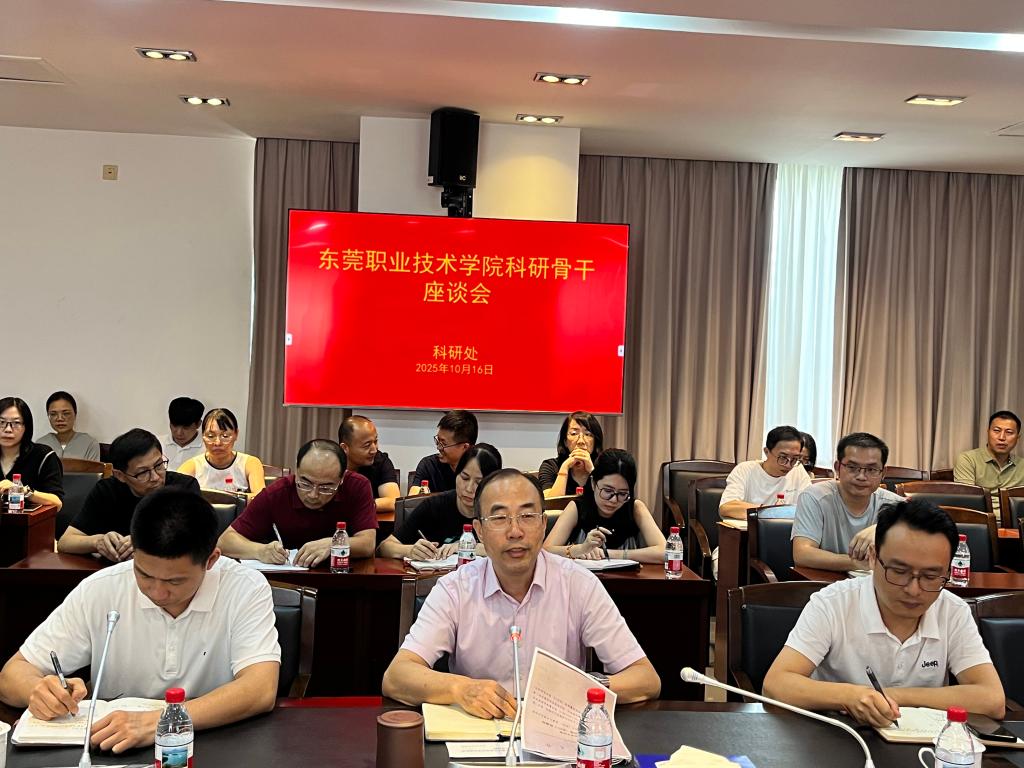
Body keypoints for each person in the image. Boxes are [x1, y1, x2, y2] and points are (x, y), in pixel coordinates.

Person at [0, 488, 280, 753]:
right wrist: (41, 692)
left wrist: (161, 721)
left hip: (216, 743)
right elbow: (11, 675)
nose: (156, 592)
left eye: (174, 581)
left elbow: (260, 689)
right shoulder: (101, 589)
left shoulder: (244, 587)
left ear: (211, 560)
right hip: (113, 748)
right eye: (144, 574)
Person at [382, 469, 661, 717]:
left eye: (527, 516)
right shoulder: (456, 588)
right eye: (499, 518)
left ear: (543, 524)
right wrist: (460, 688)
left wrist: (582, 686)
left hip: (556, 734)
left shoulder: (578, 584)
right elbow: (397, 677)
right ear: (479, 531)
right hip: (477, 734)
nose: (515, 531)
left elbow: (646, 679)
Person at [764, 500, 1005, 725]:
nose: (913, 589)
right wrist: (849, 696)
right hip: (838, 735)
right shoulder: (832, 603)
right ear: (872, 558)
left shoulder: (952, 610)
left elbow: (992, 699)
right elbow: (776, 684)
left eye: (931, 576)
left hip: (923, 745)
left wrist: (889, 696)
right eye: (898, 571)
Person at [218, 439, 377, 567]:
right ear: (296, 470)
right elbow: (225, 541)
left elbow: (367, 544)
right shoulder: (277, 494)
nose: (313, 494)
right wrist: (260, 551)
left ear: (342, 479)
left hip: (343, 577)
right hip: (289, 581)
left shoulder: (357, 486)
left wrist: (332, 544)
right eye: (305, 483)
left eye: (326, 487)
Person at [57, 428, 200, 561]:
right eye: (143, 472)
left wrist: (144, 542)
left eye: (159, 465)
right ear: (120, 475)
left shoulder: (184, 487)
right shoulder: (107, 491)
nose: (156, 477)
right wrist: (97, 542)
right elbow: (65, 542)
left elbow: (199, 538)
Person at [792, 432, 902, 572]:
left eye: (871, 469)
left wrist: (881, 529)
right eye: (852, 467)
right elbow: (802, 554)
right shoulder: (814, 497)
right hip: (827, 581)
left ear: (883, 473)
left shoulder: (895, 505)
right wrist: (856, 564)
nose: (861, 476)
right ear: (838, 467)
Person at [377, 444, 502, 560]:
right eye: (465, 478)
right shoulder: (434, 506)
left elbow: (510, 550)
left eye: (478, 482)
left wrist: (473, 548)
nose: (469, 488)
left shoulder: (500, 511)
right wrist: (409, 550)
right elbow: (384, 548)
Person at [544, 448, 666, 564]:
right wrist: (581, 549)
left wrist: (608, 554)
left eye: (622, 493)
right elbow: (545, 551)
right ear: (593, 483)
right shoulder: (577, 507)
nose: (614, 500)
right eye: (607, 491)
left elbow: (665, 552)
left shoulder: (635, 508)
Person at [719, 425, 811, 520]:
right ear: (767, 452)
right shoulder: (745, 470)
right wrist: (769, 512)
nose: (788, 465)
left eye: (794, 459)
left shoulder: (798, 471)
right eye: (783, 457)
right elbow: (726, 507)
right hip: (751, 529)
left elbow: (810, 507)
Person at [177, 408, 265, 496]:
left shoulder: (249, 463)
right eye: (210, 436)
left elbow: (261, 497)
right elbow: (174, 496)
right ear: (203, 436)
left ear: (236, 434)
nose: (217, 443)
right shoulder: (192, 467)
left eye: (225, 436)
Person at [954, 410, 1024, 520]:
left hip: (1016, 524)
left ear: (1017, 438)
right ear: (988, 432)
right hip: (981, 522)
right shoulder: (968, 459)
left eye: (1009, 432)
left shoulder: (1022, 465)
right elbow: (967, 501)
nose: (1002, 437)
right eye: (996, 431)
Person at [0, 396, 64, 511]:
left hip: (32, 521)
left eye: (16, 423)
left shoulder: (43, 455)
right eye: (1, 422)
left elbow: (57, 503)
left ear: (26, 427)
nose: (8, 429)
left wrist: (22, 490)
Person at [339, 415, 401, 513]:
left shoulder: (380, 461)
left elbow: (393, 501)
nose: (374, 450)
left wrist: (357, 505)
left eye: (375, 442)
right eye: (367, 445)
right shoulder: (330, 464)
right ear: (345, 448)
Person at [537, 411, 604, 498]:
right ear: (565, 441)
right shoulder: (551, 466)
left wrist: (592, 471)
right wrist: (564, 469)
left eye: (587, 434)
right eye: (574, 434)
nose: (581, 441)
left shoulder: (604, 467)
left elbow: (608, 500)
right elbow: (550, 503)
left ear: (595, 441)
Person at [409, 410, 477, 494]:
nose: (438, 447)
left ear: (465, 447)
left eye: (444, 444)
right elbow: (413, 499)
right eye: (438, 441)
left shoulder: (481, 471)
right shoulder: (429, 466)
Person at [36, 391, 101, 461]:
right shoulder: (41, 444)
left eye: (66, 413)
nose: (60, 418)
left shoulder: (89, 444)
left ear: (75, 414)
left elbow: (94, 468)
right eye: (53, 414)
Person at [160, 396, 205, 470]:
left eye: (186, 427)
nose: (179, 433)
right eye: (174, 425)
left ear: (198, 424)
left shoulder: (208, 449)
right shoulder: (157, 444)